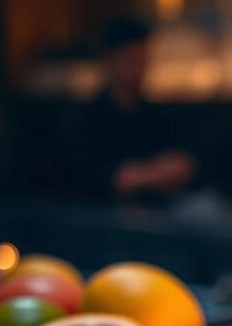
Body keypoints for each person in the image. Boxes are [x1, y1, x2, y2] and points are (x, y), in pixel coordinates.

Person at [75, 18, 195, 201]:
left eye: (142, 61)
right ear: (109, 62)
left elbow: (180, 166)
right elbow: (110, 180)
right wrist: (154, 174)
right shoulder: (89, 118)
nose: (137, 72)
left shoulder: (154, 116)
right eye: (129, 61)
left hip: (156, 220)